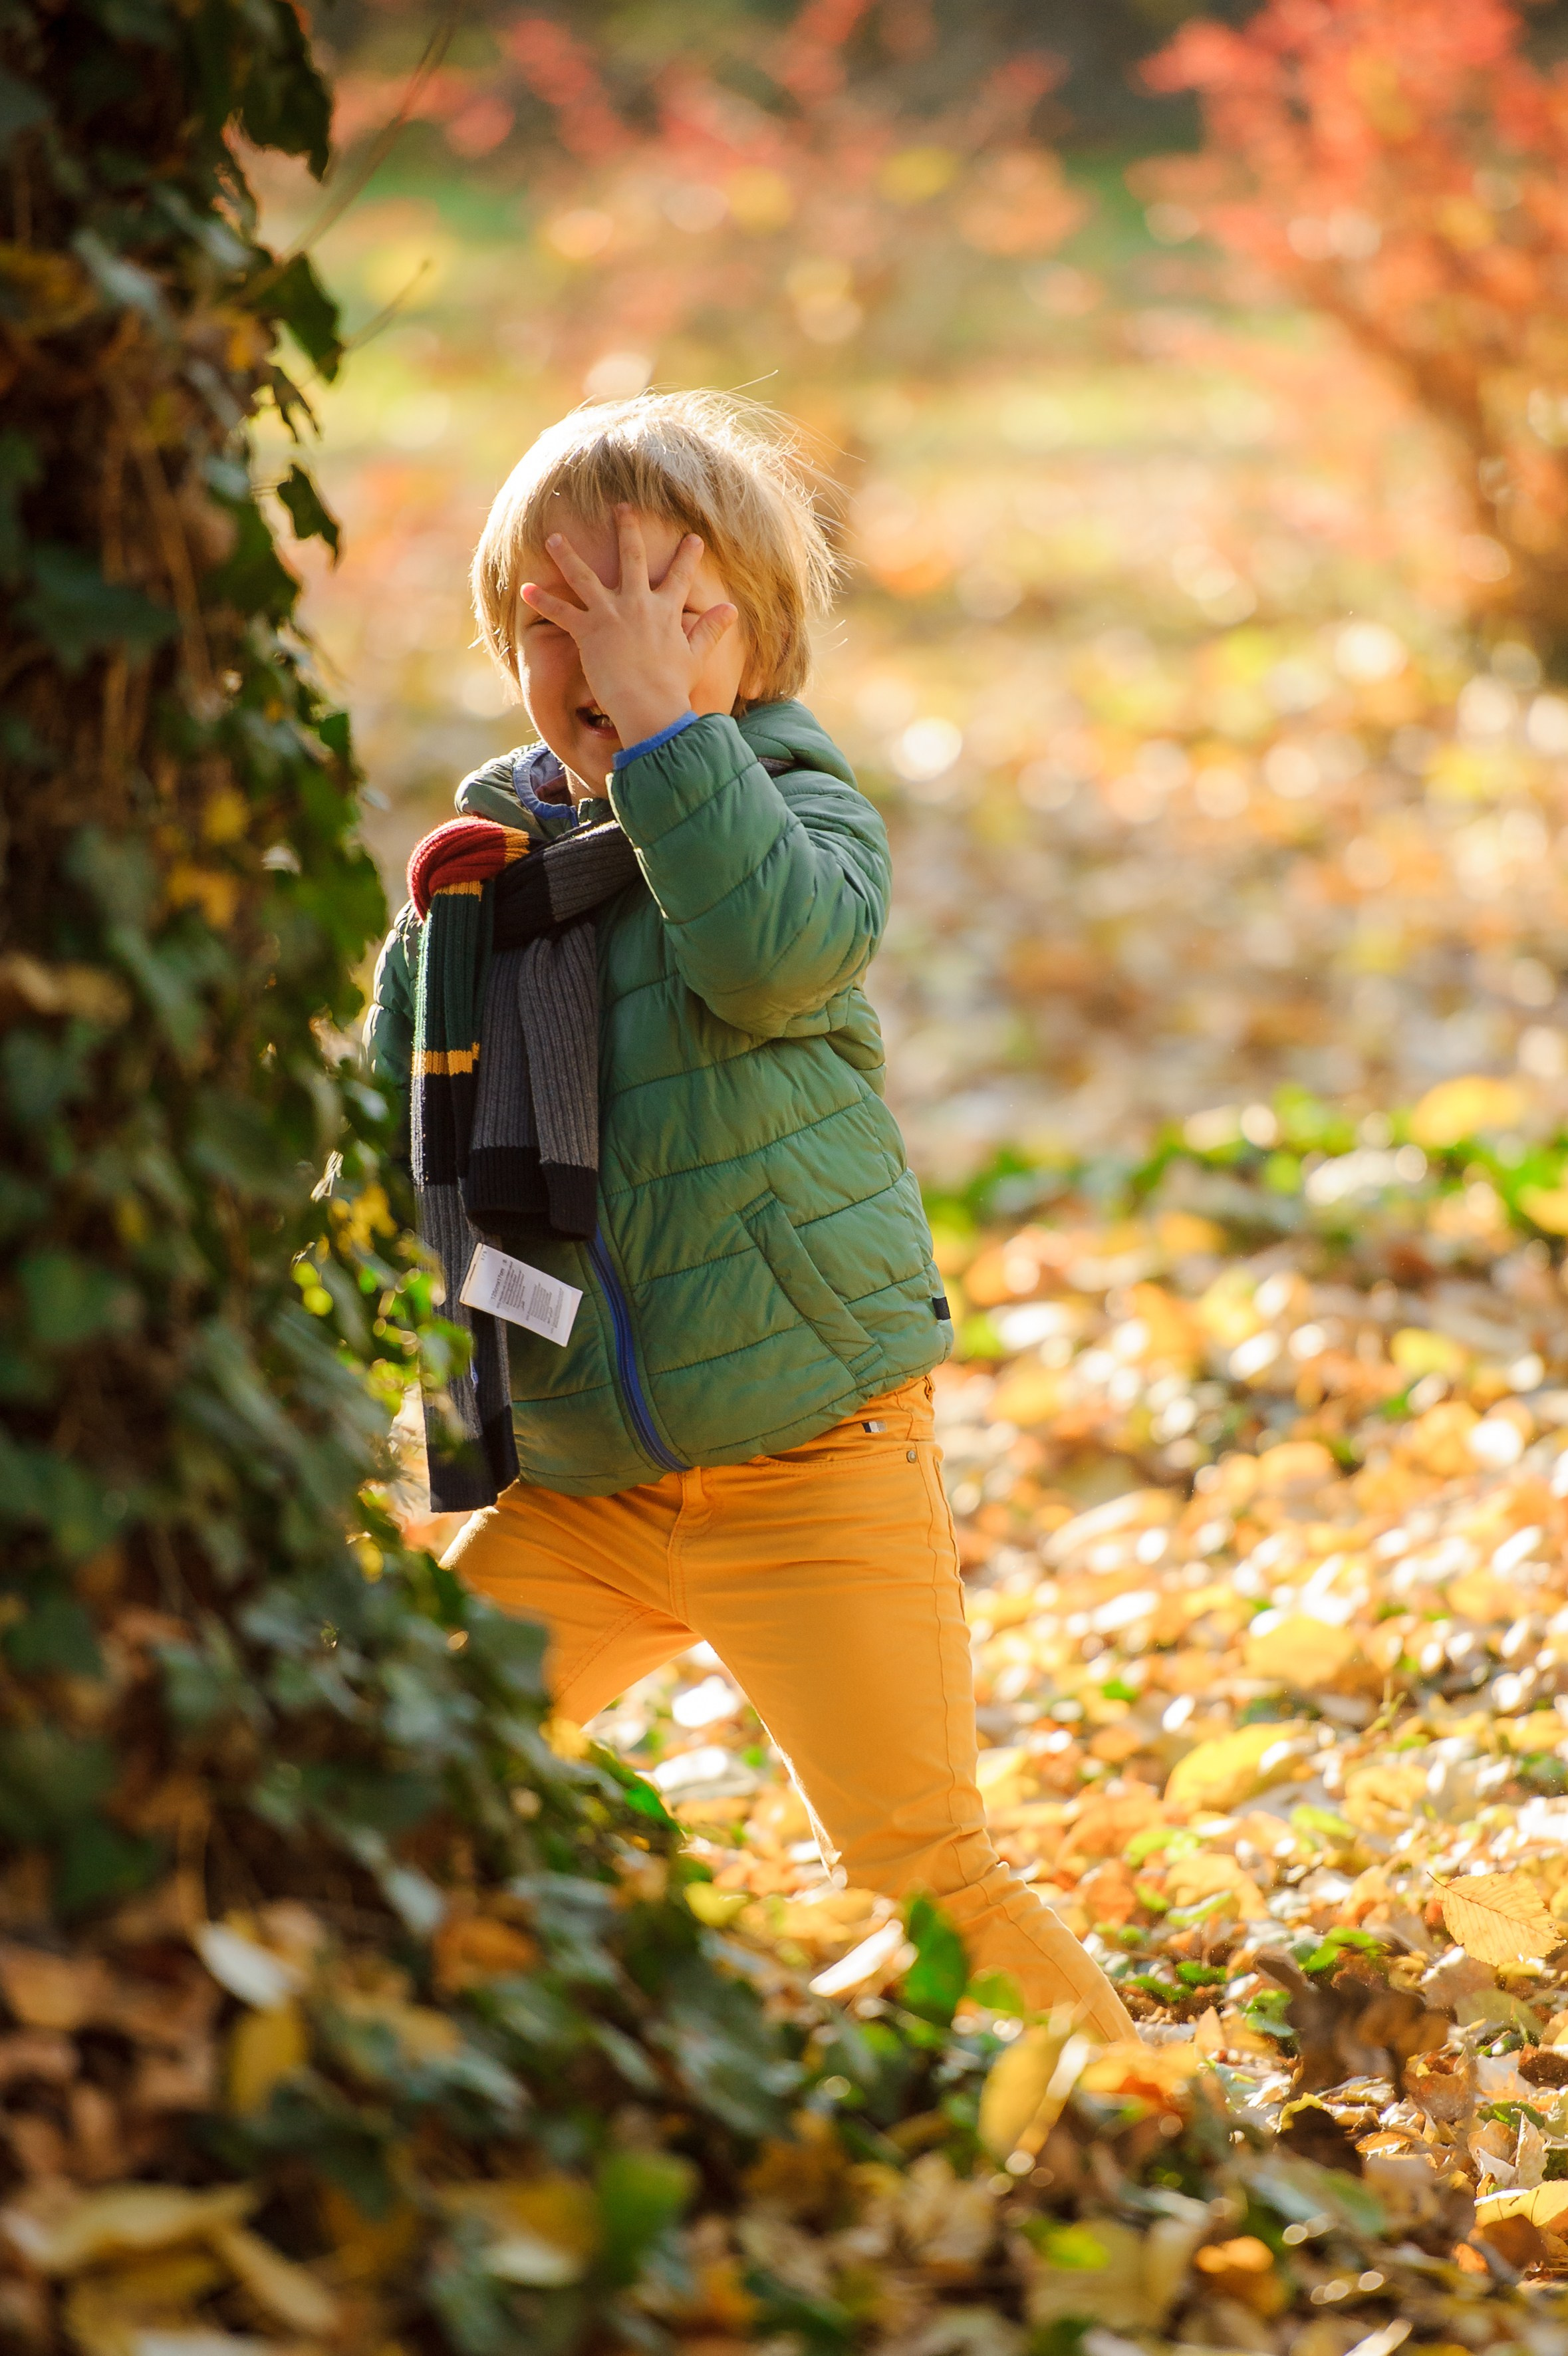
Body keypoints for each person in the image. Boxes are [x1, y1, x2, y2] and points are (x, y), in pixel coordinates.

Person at [366, 391, 1134, 2040]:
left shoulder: (791, 800)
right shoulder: (477, 882)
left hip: (813, 1454)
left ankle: (1163, 2130)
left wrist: (670, 745)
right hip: (588, 1478)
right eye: (560, 619)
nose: (608, 655)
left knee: (923, 1860)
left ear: (761, 638)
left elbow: (774, 953)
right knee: (395, 1772)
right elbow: (391, 1149)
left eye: (669, 612)